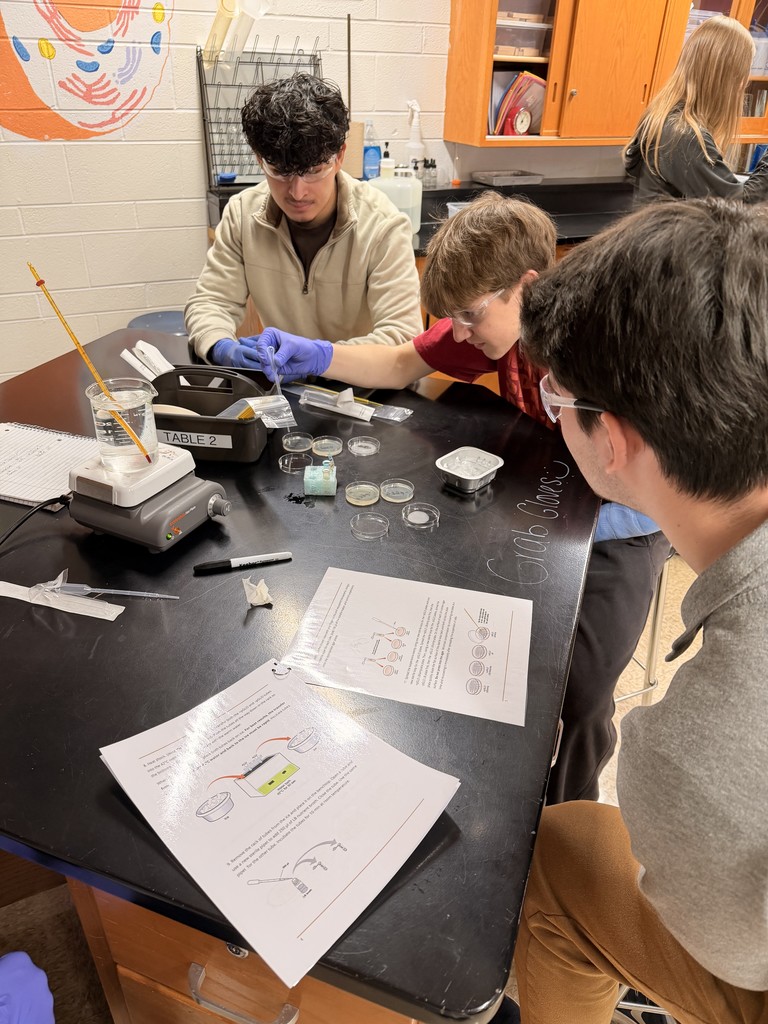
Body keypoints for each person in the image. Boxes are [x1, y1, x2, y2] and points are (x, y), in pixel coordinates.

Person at [255, 192, 669, 805]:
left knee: (581, 694)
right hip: (551, 495)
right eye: (453, 316)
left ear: (526, 286)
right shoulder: (483, 330)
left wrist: (575, 528)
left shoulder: (614, 347)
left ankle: (567, 817)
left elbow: (669, 488)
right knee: (484, 657)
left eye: (471, 314)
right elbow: (400, 362)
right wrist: (319, 355)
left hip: (626, 521)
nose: (462, 332)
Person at [507, 197, 768, 1024]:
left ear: (610, 441)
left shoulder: (690, 759)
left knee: (557, 858)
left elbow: (735, 955)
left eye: (559, 402)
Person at [184, 73, 423, 367]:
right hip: (281, 389)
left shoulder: (382, 227)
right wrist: (220, 345)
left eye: (313, 171)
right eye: (281, 172)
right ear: (261, 160)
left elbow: (403, 337)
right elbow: (211, 302)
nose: (297, 192)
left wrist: (324, 358)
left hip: (362, 394)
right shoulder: (242, 215)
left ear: (339, 157)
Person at [623, 15, 768, 203]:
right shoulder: (683, 135)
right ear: (724, 77)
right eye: (742, 73)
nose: (744, 83)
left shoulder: (667, 117)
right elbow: (738, 205)